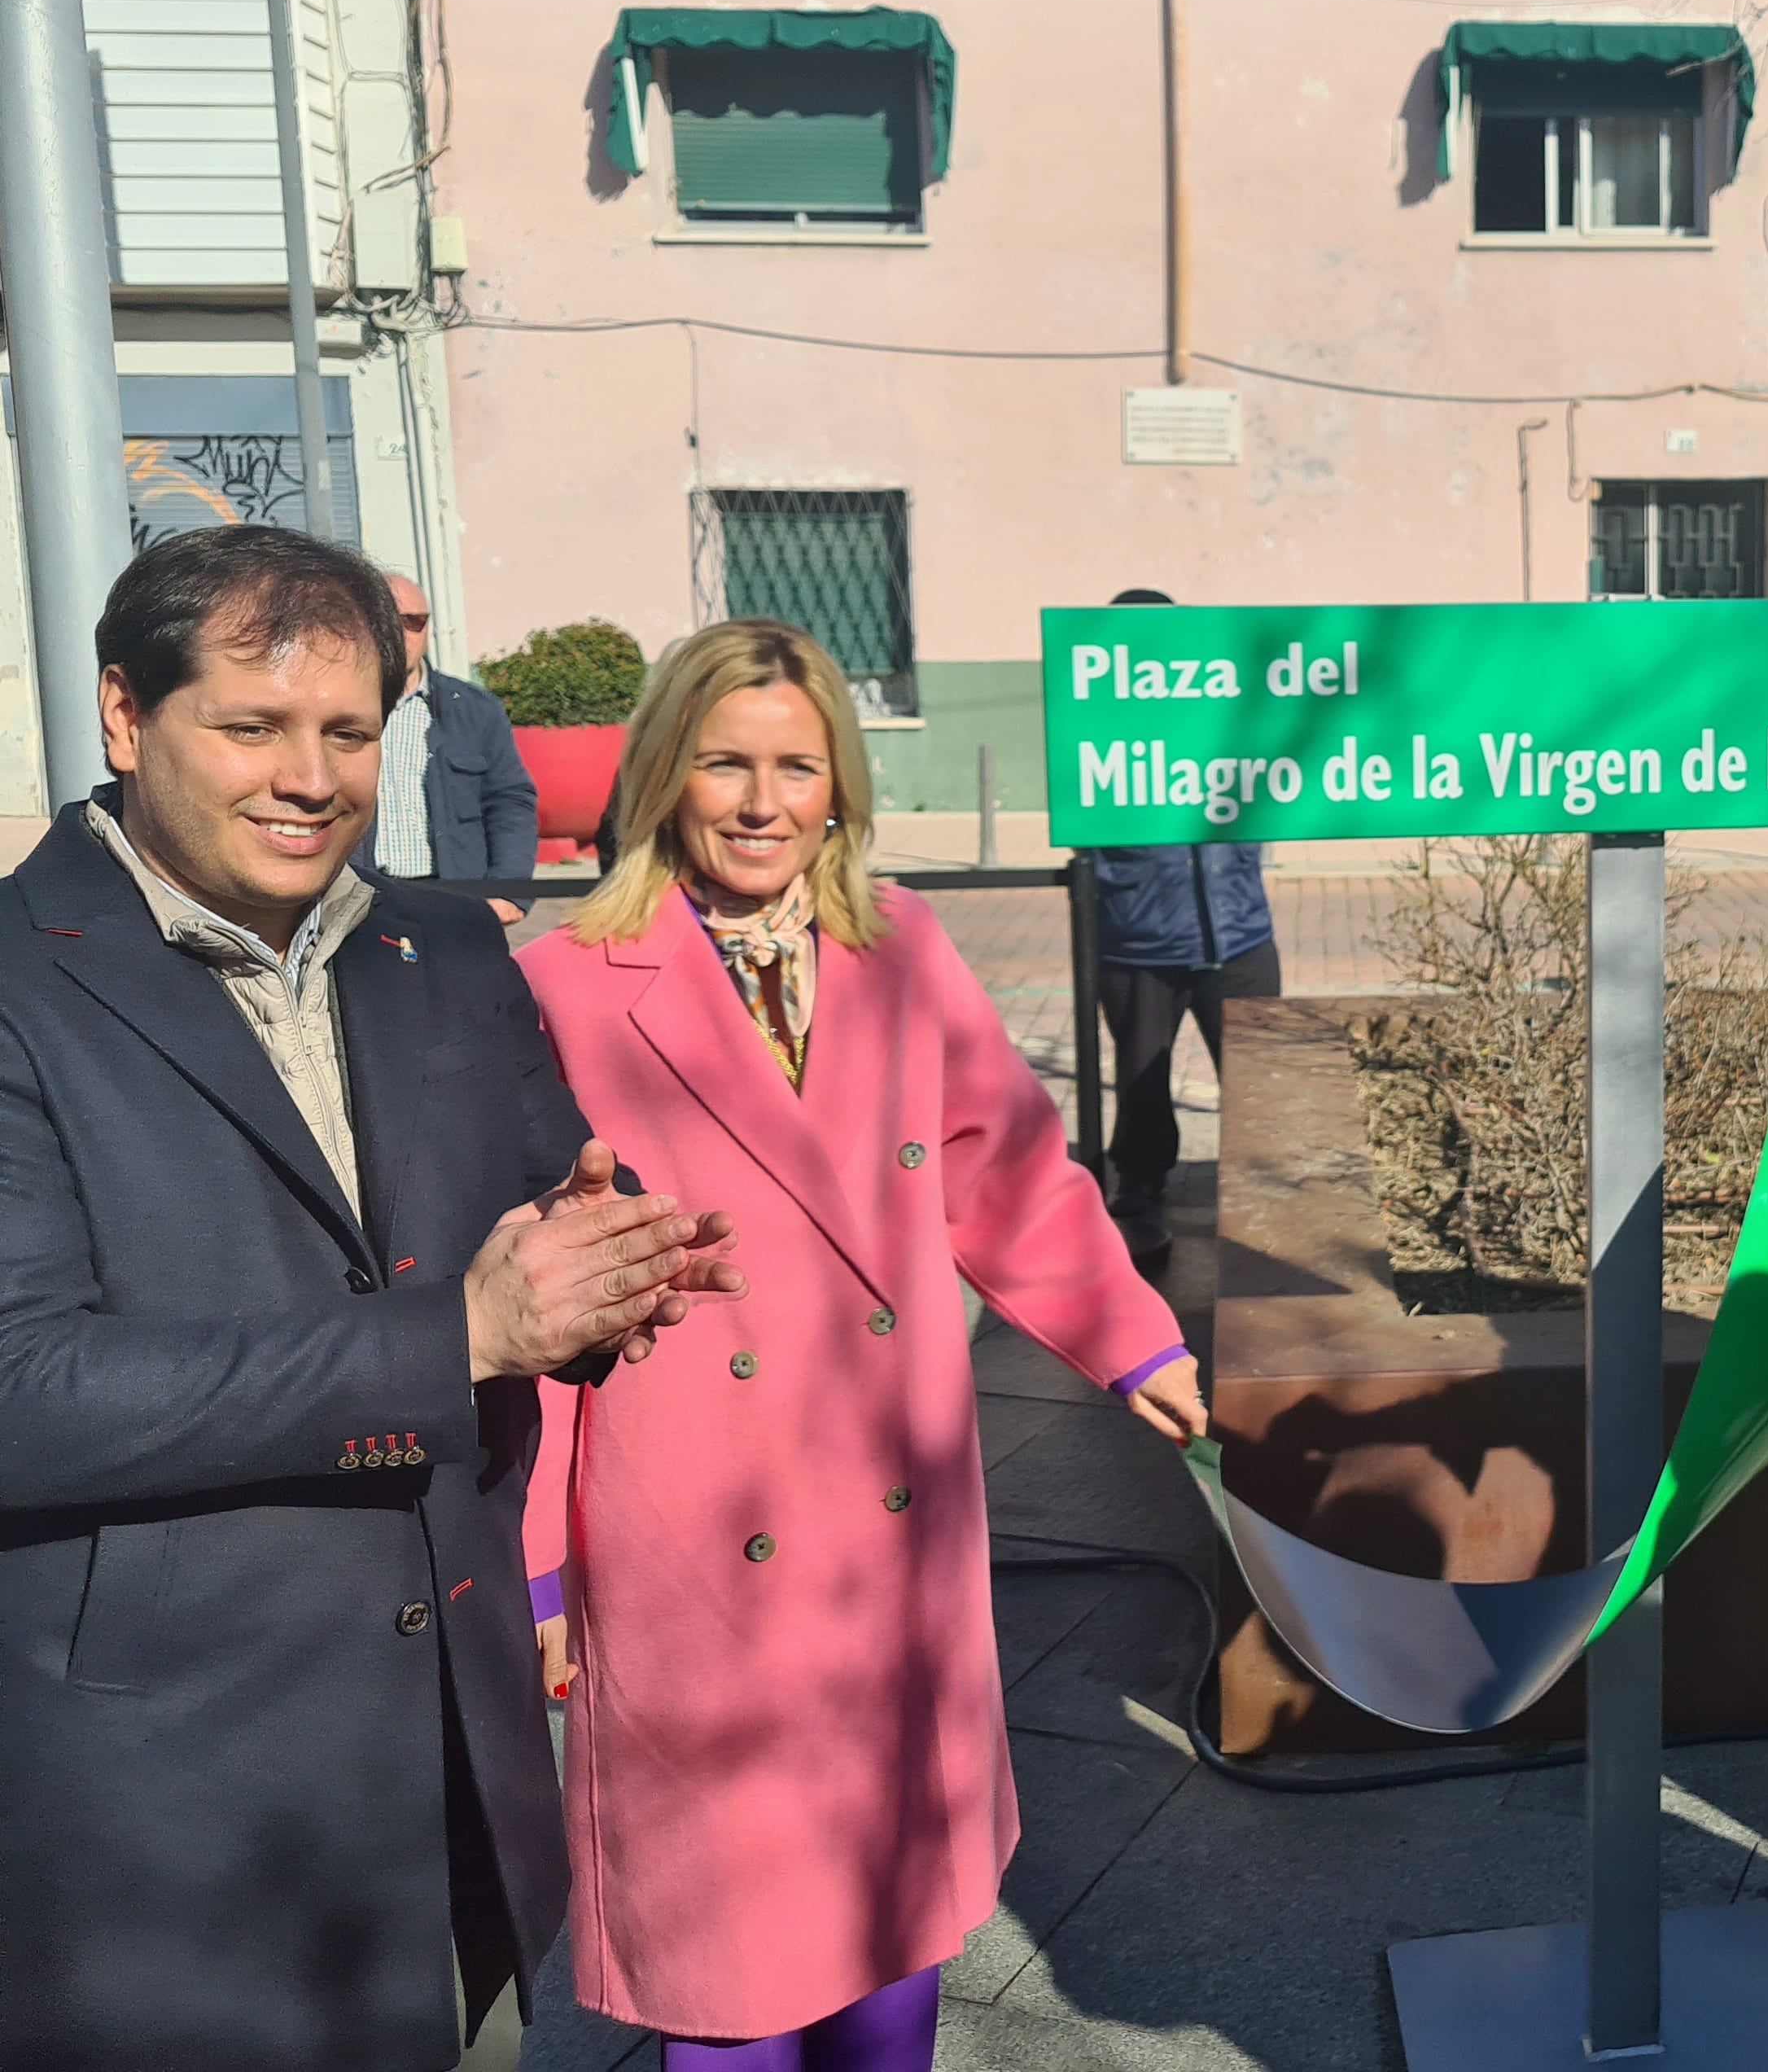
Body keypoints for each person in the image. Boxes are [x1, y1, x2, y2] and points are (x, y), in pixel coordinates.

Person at [0, 524, 742, 2072]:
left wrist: (607, 1277)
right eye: (251, 726)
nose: (310, 777)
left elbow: (533, 1223)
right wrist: (456, 1333)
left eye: (349, 731)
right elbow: (22, 1393)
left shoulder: (444, 944)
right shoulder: (17, 974)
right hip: (174, 1829)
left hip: (455, 1788)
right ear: (127, 715)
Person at [517, 618, 1205, 2067]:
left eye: (795, 764)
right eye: (724, 762)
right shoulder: (571, 979)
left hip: (889, 1494)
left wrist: (1131, 1339)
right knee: (730, 1936)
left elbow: (1005, 1166)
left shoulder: (900, 946)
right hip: (690, 1513)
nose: (762, 801)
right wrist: (539, 1561)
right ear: (662, 773)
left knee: (892, 1901)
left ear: (839, 781)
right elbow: (536, 1306)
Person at [1093, 586, 1280, 1257]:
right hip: (1138, 937)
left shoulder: (1224, 716)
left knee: (1262, 1079)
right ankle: (1140, 1181)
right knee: (1142, 1075)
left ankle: (1269, 1188)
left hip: (1239, 932)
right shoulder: (1096, 725)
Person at [370, 569, 542, 924]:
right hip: (365, 904)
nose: (398, 633)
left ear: (428, 627)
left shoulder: (474, 709)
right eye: (382, 620)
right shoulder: (331, 709)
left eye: (412, 621)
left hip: (457, 903)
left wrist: (508, 892)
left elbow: (509, 800)